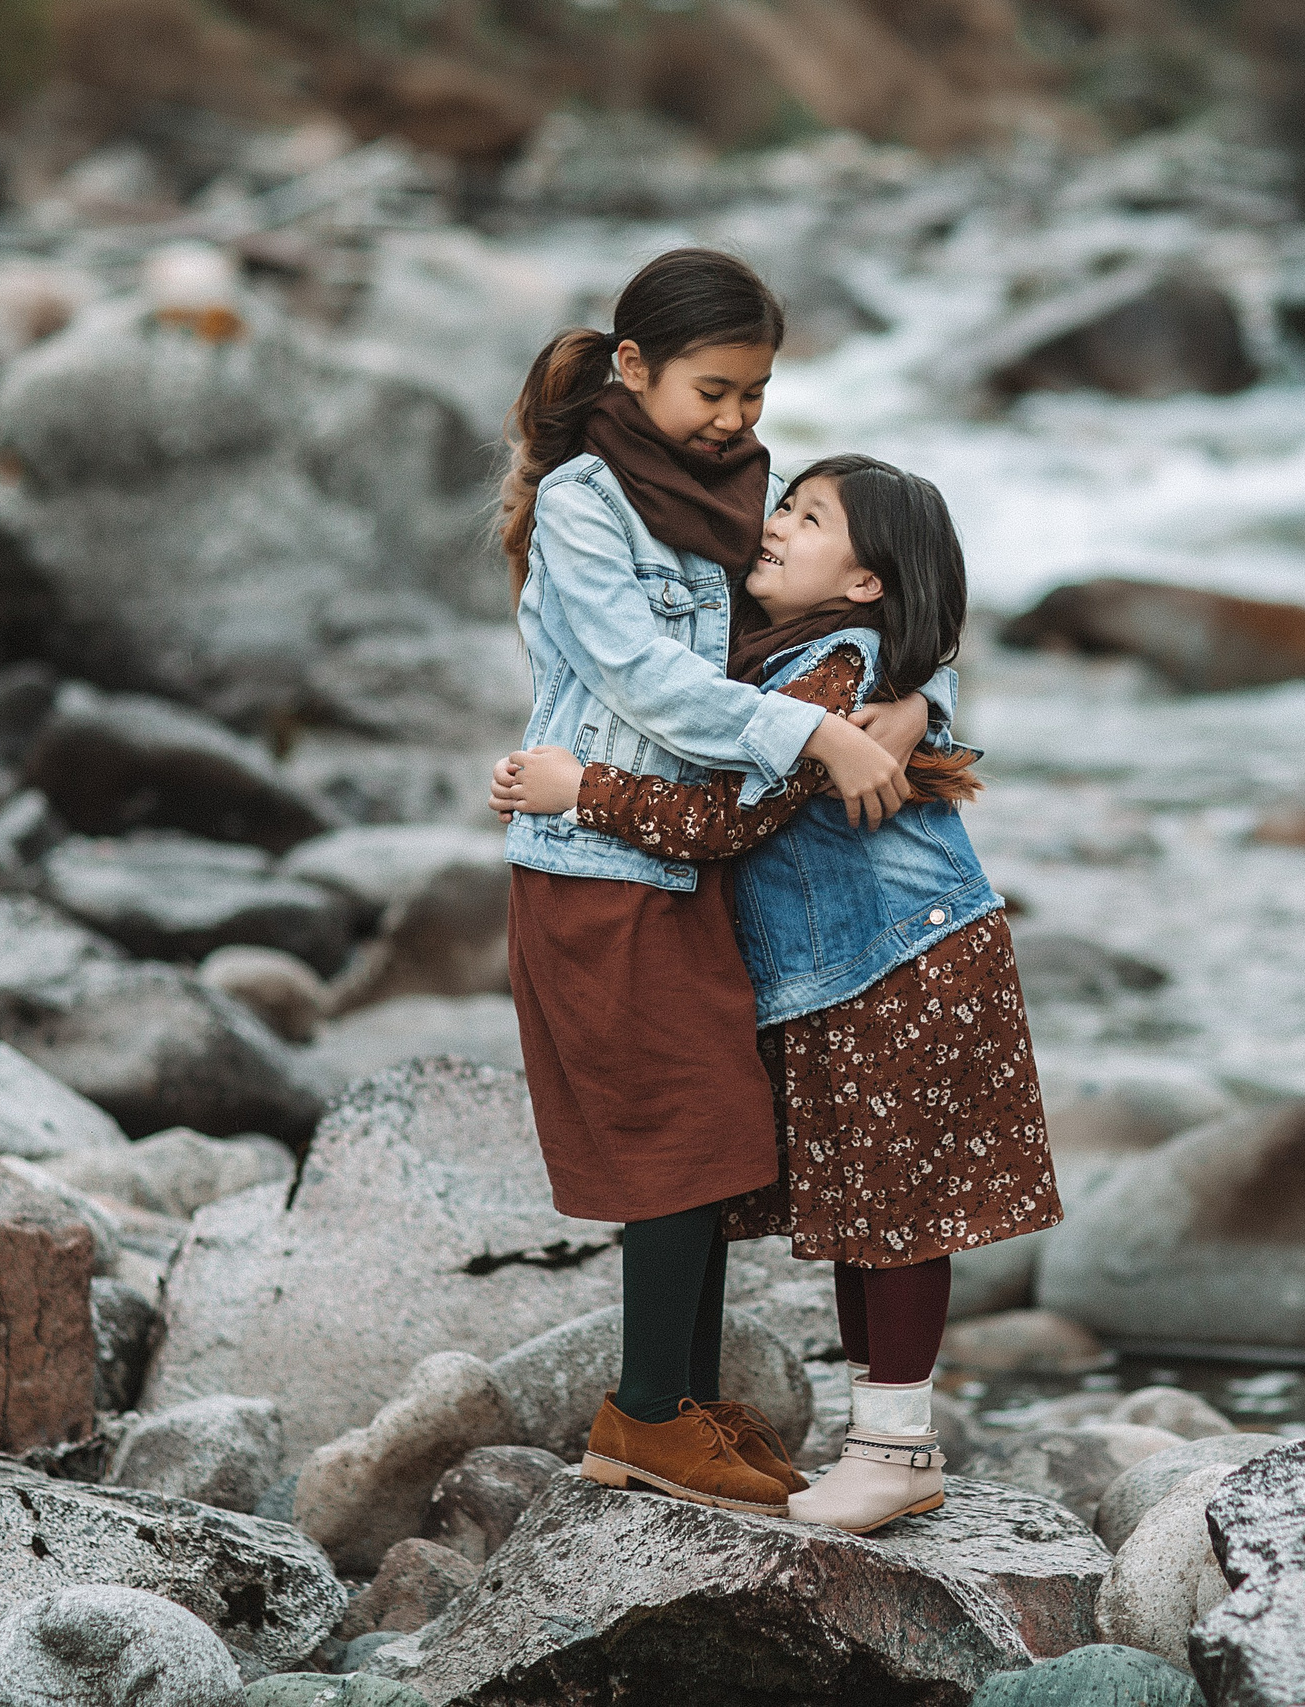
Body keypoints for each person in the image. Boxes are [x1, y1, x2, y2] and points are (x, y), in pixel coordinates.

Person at [496, 454, 1061, 1534]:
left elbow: (727, 822)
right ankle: (878, 1442)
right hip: (847, 975)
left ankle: (896, 1448)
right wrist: (918, 690)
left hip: (904, 969)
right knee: (863, 1215)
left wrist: (584, 791)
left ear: (864, 583)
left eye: (808, 520)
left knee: (895, 1219)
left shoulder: (832, 670)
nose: (775, 526)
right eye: (784, 504)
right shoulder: (796, 652)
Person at [495, 251, 946, 1517]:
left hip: (700, 859)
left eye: (755, 392)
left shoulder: (743, 490)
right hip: (598, 864)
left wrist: (906, 707)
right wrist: (814, 735)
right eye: (715, 389)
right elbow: (644, 676)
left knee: (717, 1135)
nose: (739, 419)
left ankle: (680, 1405)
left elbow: (872, 603)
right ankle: (641, 1417)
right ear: (632, 370)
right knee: (672, 1135)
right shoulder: (588, 505)